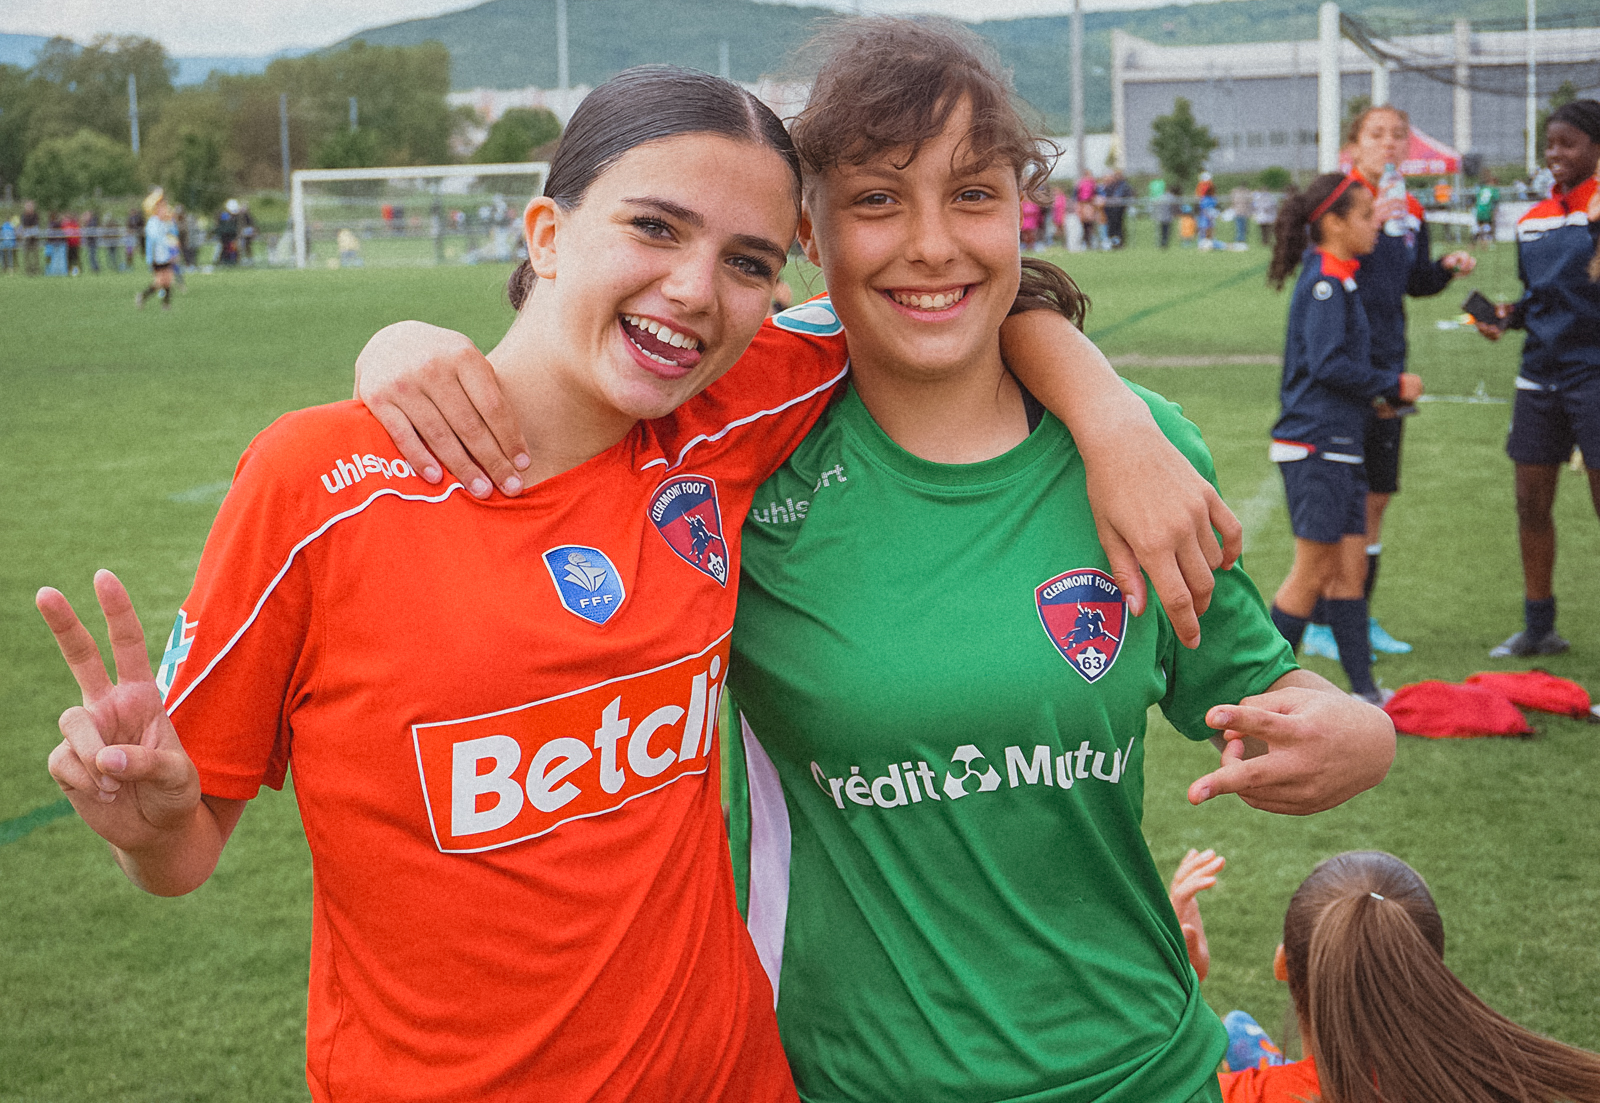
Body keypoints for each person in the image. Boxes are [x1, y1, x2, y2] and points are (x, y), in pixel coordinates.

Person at [38, 63, 1236, 1103]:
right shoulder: (320, 482)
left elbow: (950, 296)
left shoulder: (728, 415)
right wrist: (148, 825)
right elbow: (185, 851)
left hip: (731, 1076)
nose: (695, 292)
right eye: (654, 230)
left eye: (748, 261)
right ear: (546, 233)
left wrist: (1110, 418)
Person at [363, 19, 1396, 1102]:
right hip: (842, 1077)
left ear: (1019, 211)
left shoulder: (1136, 454)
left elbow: (1248, 680)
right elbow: (559, 387)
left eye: (972, 194)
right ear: (811, 231)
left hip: (1144, 1069)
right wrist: (403, 346)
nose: (932, 243)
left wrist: (1355, 730)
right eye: (875, 200)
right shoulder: (731, 456)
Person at [1169, 850, 1600, 1103]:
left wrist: (1174, 985)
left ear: (1282, 963)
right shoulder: (1502, 1077)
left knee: (1233, 1035)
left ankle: (1270, 1062)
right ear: (1430, 967)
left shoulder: (1234, 1095)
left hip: (1280, 1086)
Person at [1297, 106, 1475, 665]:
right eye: (1377, 135)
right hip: (1355, 372)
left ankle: (1357, 615)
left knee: (1375, 500)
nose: (1390, 145)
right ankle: (1325, 619)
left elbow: (1412, 282)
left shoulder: (1408, 209)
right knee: (1347, 501)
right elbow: (1333, 272)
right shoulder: (1341, 207)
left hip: (1391, 369)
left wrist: (1444, 267)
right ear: (1353, 144)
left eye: (1399, 135)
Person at [1265, 171, 1422, 703]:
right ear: (1332, 223)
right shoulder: (1326, 282)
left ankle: (1366, 693)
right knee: (1311, 574)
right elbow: (1327, 364)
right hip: (1316, 447)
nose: (1375, 222)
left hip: (1341, 445)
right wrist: (1389, 384)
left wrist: (1379, 400)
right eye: (1363, 214)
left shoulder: (1342, 276)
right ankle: (1254, 695)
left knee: (1348, 576)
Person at [1473, 99, 1600, 657]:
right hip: (1539, 377)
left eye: (1567, 144)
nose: (1554, 155)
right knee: (1529, 504)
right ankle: (1538, 625)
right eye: (1550, 144)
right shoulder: (1532, 221)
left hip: (1593, 376)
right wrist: (1506, 315)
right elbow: (1540, 299)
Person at [137, 195, 178, 310]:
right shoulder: (153, 223)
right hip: (156, 256)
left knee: (169, 279)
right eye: (162, 208)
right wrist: (169, 242)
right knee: (160, 281)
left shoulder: (166, 222)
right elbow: (156, 238)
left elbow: (174, 233)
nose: (165, 210)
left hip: (166, 254)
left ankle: (166, 304)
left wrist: (173, 249)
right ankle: (142, 296)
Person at [1103, 167, 1133, 248]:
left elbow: (1127, 195)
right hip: (1110, 210)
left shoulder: (1124, 185)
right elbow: (1106, 194)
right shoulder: (1110, 186)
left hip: (1119, 210)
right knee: (1111, 227)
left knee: (1118, 227)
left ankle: (1119, 243)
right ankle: (1113, 243)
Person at [1474, 174, 1501, 246]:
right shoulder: (1493, 190)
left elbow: (1477, 199)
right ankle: (1492, 242)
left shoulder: (1482, 189)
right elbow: (1496, 200)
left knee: (1480, 227)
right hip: (1487, 210)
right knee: (1492, 225)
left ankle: (1475, 243)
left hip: (1479, 210)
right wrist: (1495, 210)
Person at [1230, 183, 1252, 247]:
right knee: (1239, 227)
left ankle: (1242, 239)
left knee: (1243, 227)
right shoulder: (1237, 193)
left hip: (1243, 212)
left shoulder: (1246, 193)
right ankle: (1239, 240)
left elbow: (1249, 203)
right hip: (1239, 212)